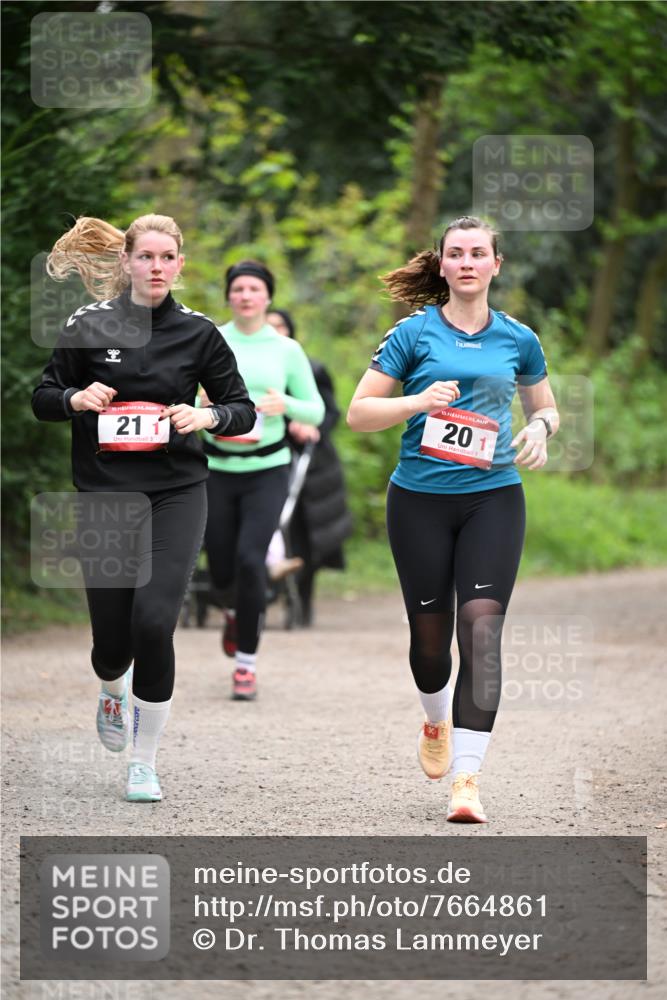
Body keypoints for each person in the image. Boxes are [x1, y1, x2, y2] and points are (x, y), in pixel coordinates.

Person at [32, 214, 255, 803]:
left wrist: (206, 416)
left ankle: (144, 760)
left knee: (155, 622)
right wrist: (76, 398)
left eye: (167, 258)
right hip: (105, 495)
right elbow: (43, 398)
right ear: (127, 262)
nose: (157, 268)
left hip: (177, 491)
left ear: (180, 264)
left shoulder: (199, 333)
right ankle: (111, 685)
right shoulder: (87, 324)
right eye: (146, 257)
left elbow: (242, 408)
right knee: (112, 641)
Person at [347, 216, 559, 823]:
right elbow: (360, 413)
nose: (467, 262)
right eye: (456, 253)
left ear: (497, 264)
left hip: (494, 496)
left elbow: (545, 407)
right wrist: (417, 401)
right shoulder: (412, 334)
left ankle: (467, 779)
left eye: (479, 253)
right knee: (430, 643)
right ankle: (437, 719)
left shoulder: (519, 338)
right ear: (441, 265)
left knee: (482, 631)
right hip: (418, 500)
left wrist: (540, 428)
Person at [203, 262, 324, 699]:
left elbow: (316, 411)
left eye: (254, 288)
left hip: (267, 469)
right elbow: (177, 397)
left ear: (267, 297)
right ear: (229, 296)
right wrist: (197, 402)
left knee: (252, 560)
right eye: (237, 288)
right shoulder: (209, 339)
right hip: (216, 467)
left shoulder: (286, 350)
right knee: (220, 565)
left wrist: (284, 403)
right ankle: (234, 611)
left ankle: (246, 664)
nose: (246, 295)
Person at [267, 308, 352, 625]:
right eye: (269, 325)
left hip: (310, 464)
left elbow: (330, 412)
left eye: (281, 326)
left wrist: (311, 427)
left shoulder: (311, 369)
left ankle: (303, 600)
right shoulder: (248, 367)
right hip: (268, 455)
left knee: (306, 533)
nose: (275, 332)